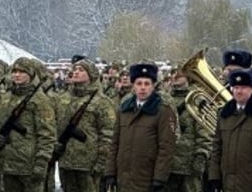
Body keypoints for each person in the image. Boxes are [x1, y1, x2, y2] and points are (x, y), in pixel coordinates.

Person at [104, 63, 177, 192]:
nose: (143, 88)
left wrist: (159, 178)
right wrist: (110, 172)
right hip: (123, 178)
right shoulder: (124, 110)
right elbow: (115, 144)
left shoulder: (163, 111)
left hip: (147, 178)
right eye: (139, 83)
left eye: (147, 84)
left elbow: (166, 148)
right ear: (133, 85)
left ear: (153, 86)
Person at [208, 68, 252, 192]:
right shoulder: (224, 113)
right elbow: (217, 146)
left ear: (251, 89)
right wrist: (214, 176)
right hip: (227, 180)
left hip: (251, 179)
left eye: (243, 88)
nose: (239, 91)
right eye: (236, 88)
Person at [0, 57, 56, 192]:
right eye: (14, 71)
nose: (16, 75)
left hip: (29, 164)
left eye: (22, 72)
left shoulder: (40, 100)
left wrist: (41, 162)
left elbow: (47, 134)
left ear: (31, 74)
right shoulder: (7, 97)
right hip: (8, 163)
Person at [55, 58, 115, 192]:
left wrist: (101, 164)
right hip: (66, 163)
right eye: (74, 70)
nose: (76, 72)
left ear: (91, 75)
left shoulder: (102, 102)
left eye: (81, 70)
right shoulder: (63, 99)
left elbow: (108, 136)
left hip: (89, 166)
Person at [168, 71, 211, 192]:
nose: (175, 76)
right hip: (168, 164)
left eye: (180, 74)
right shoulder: (166, 98)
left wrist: (201, 156)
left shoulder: (198, 99)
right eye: (173, 73)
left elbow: (205, 131)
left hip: (189, 164)